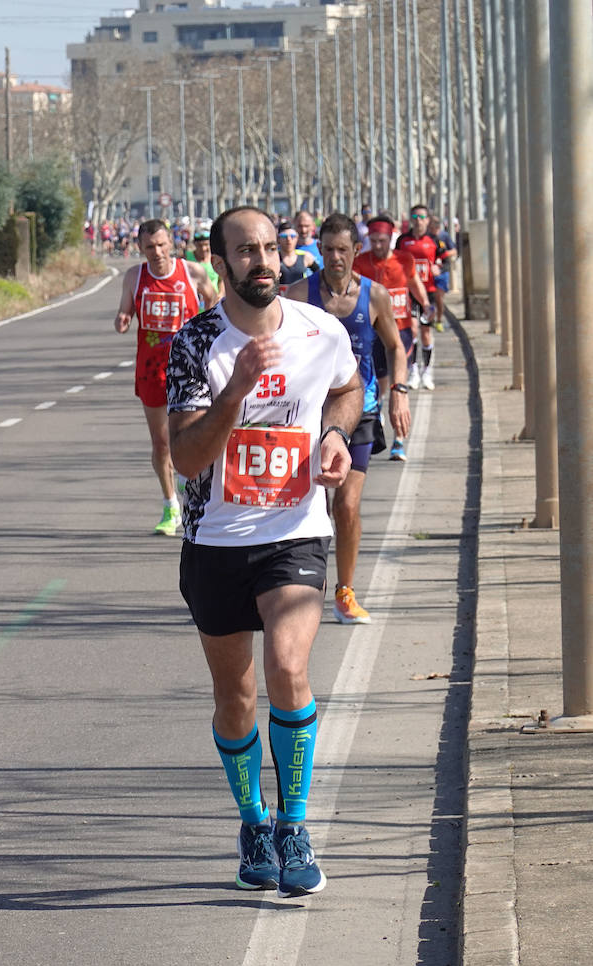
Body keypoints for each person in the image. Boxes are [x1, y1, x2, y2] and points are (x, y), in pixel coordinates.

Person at [166, 205, 363, 896]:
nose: (263, 262)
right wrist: (239, 390)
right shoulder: (197, 343)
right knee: (235, 696)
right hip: (216, 541)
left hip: (296, 531)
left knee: (287, 665)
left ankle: (294, 825)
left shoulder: (320, 331)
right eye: (246, 252)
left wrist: (337, 436)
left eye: (271, 248)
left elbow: (346, 388)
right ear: (220, 263)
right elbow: (188, 457)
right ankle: (252, 820)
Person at [285, 213, 412, 624]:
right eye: (327, 250)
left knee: (347, 505)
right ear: (318, 251)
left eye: (343, 249)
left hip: (361, 409)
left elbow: (395, 347)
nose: (335, 257)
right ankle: (303, 590)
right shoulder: (302, 293)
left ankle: (345, 592)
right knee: (310, 506)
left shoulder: (374, 296)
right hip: (309, 413)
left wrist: (400, 393)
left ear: (356, 251)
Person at [114, 218, 218, 535]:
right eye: (149, 247)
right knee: (161, 443)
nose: (156, 252)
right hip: (151, 369)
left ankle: (195, 489)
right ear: (141, 248)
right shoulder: (135, 276)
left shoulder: (192, 272)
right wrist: (122, 319)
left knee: (193, 435)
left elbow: (214, 302)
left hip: (188, 367)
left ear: (171, 243)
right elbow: (124, 312)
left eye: (161, 245)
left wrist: (206, 330)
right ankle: (170, 505)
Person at [353, 213, 429, 461]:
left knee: (400, 385)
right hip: (372, 332)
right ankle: (379, 410)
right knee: (380, 383)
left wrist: (425, 304)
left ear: (390, 238)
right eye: (373, 241)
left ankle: (399, 440)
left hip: (401, 332)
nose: (378, 246)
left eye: (382, 241)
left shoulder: (404, 259)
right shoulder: (361, 262)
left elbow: (414, 283)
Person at [395, 205, 441, 390]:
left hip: (428, 292)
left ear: (427, 220)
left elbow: (444, 257)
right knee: (412, 330)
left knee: (426, 333)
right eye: (415, 216)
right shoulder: (403, 240)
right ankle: (413, 370)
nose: (418, 220)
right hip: (409, 292)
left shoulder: (434, 240)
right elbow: (395, 259)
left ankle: (427, 372)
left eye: (422, 217)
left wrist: (439, 267)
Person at [428, 215, 459, 325]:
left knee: (438, 296)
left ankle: (439, 319)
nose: (433, 231)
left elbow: (454, 250)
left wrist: (444, 254)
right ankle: (429, 319)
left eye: (435, 228)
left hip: (443, 270)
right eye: (431, 228)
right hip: (429, 271)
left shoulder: (444, 236)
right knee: (430, 298)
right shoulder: (427, 237)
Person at [276, 221, 319, 287]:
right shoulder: (274, 258)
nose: (289, 239)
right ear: (278, 239)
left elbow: (319, 275)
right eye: (284, 236)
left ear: (297, 238)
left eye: (292, 236)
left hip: (300, 295)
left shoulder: (305, 256)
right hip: (280, 295)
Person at [186, 227, 224, 300]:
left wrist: (221, 293)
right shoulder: (187, 257)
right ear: (194, 244)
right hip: (193, 302)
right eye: (199, 245)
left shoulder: (216, 258)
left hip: (213, 303)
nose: (203, 248)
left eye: (206, 245)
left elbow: (221, 279)